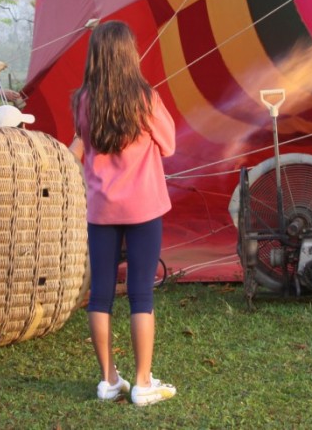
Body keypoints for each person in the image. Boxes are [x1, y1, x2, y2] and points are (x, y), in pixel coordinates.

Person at [70, 21, 177, 406]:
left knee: (100, 296)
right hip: (144, 208)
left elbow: (82, 143)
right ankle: (143, 381)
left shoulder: (83, 100)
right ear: (129, 54)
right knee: (140, 296)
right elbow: (169, 144)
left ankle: (108, 381)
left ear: (96, 56)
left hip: (101, 211)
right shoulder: (146, 99)